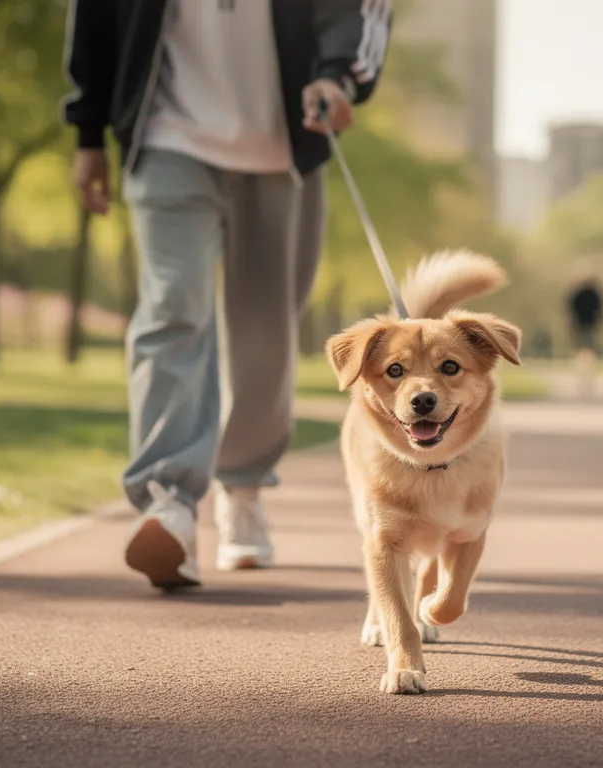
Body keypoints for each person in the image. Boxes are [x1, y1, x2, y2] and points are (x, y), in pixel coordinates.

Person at [62, 0, 391, 589]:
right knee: (171, 311)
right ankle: (170, 505)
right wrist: (88, 131)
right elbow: (97, 16)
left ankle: (241, 488)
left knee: (267, 333)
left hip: (284, 146)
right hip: (167, 137)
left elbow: (359, 9)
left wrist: (337, 73)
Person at [565, 271, 603, 397]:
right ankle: (587, 378)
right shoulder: (596, 293)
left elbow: (569, 309)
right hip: (589, 328)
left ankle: (583, 377)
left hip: (580, 328)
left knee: (582, 354)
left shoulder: (577, 293)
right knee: (590, 354)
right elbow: (601, 311)